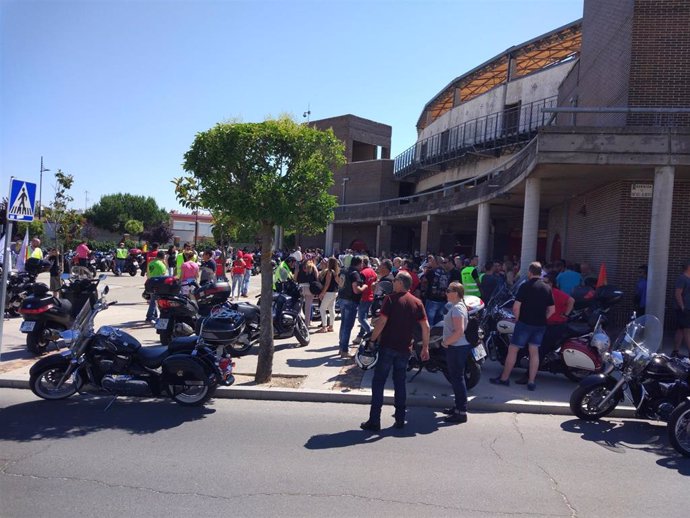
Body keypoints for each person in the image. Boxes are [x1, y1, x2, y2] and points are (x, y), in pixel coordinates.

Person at [361, 271, 430, 431]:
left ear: (401, 282)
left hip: (388, 347)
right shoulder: (417, 302)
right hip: (405, 348)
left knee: (378, 382)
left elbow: (382, 322)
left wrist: (372, 340)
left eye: (395, 279)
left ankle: (374, 420)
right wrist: (425, 347)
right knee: (400, 383)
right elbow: (425, 326)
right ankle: (400, 419)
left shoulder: (390, 299)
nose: (393, 282)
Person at [490, 262, 555, 391]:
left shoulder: (525, 286)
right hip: (540, 325)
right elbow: (552, 310)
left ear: (530, 272)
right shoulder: (547, 288)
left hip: (524, 323)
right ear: (540, 273)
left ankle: (504, 378)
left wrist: (519, 319)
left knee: (513, 350)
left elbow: (515, 307)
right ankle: (531, 382)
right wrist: (542, 319)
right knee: (534, 352)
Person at [441, 282, 472, 424]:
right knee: (455, 379)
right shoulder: (456, 307)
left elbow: (459, 331)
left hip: (457, 347)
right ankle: (457, 407)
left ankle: (461, 412)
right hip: (457, 347)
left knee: (458, 379)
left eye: (448, 290)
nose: (446, 293)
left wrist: (446, 342)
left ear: (456, 293)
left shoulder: (458, 309)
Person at [338, 256, 368, 359]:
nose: (363, 265)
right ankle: (344, 350)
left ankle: (341, 347)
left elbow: (339, 282)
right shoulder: (355, 274)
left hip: (342, 298)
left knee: (343, 324)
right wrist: (364, 287)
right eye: (362, 263)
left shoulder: (344, 270)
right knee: (347, 326)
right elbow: (356, 290)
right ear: (359, 263)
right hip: (351, 300)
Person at [353, 257, 377, 345]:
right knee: (365, 318)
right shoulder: (372, 272)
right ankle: (360, 336)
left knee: (361, 318)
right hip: (371, 296)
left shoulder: (362, 273)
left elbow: (359, 286)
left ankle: (371, 332)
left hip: (363, 297)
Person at [672, 260, 690, 358]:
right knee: (687, 330)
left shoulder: (688, 278)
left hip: (687, 308)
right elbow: (678, 293)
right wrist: (682, 306)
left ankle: (675, 351)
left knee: (681, 330)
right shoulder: (682, 278)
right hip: (684, 309)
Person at [317, 257, 339, 333]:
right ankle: (331, 326)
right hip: (335, 292)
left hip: (329, 292)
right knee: (331, 309)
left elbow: (327, 284)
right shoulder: (336, 272)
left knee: (322, 308)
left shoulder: (329, 272)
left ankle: (324, 327)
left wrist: (322, 293)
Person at [145, 250, 167, 322]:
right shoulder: (161, 264)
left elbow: (148, 274)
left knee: (153, 299)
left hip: (150, 282)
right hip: (158, 284)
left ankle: (154, 315)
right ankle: (149, 316)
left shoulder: (151, 263)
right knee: (154, 301)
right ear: (163, 257)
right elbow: (164, 275)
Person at [296, 259, 319, 328]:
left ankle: (298, 322)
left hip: (301, 287)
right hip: (310, 288)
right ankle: (307, 324)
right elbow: (317, 278)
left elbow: (295, 278)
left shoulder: (299, 267)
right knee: (308, 307)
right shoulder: (313, 267)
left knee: (299, 306)